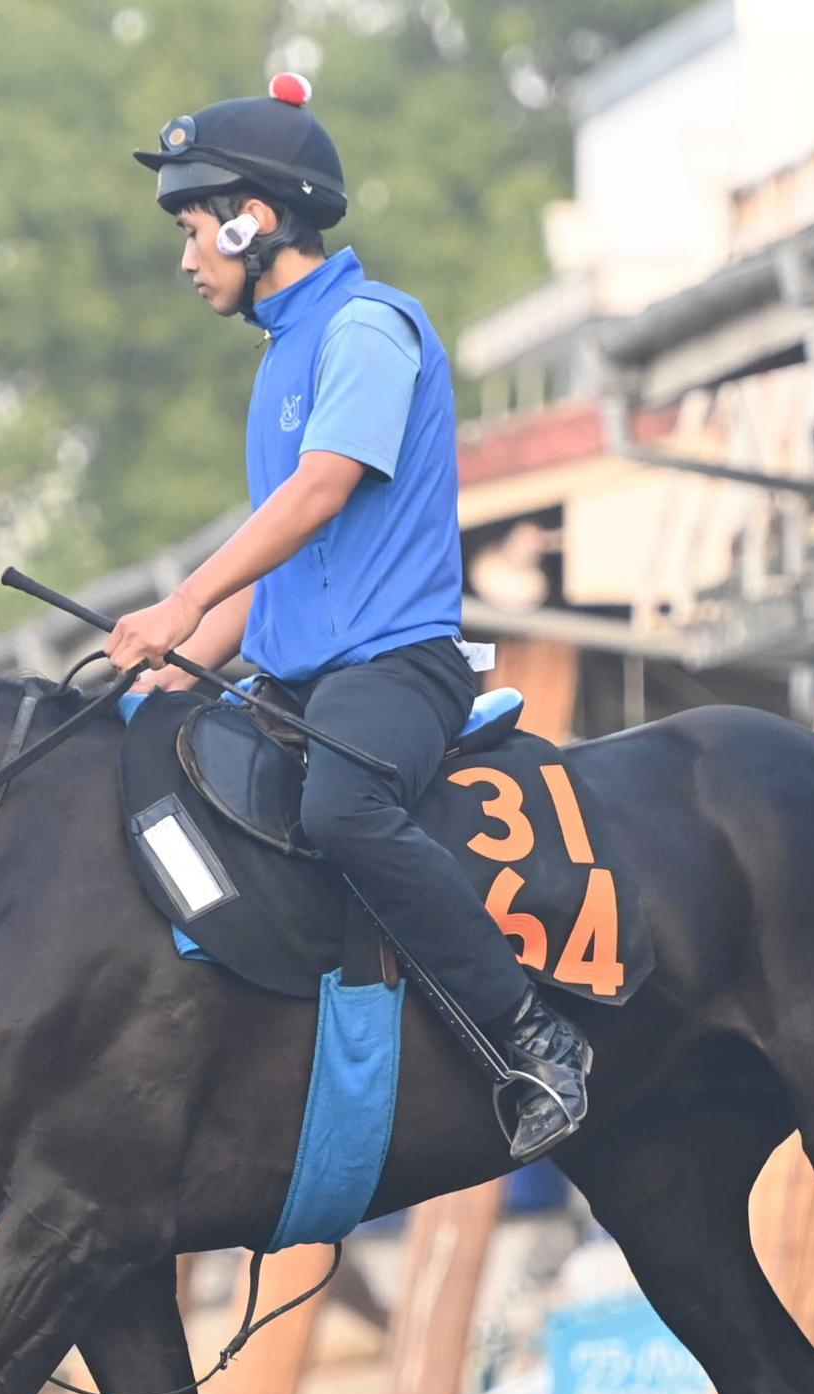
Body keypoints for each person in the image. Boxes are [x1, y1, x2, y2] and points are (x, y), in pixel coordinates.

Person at [104, 75, 591, 1159]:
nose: (188, 260)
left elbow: (320, 491)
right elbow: (274, 575)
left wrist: (180, 598)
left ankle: (532, 1037)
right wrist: (168, 664)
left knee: (338, 811)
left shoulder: (367, 327)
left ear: (253, 219)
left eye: (195, 231)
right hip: (295, 681)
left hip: (395, 670)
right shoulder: (282, 359)